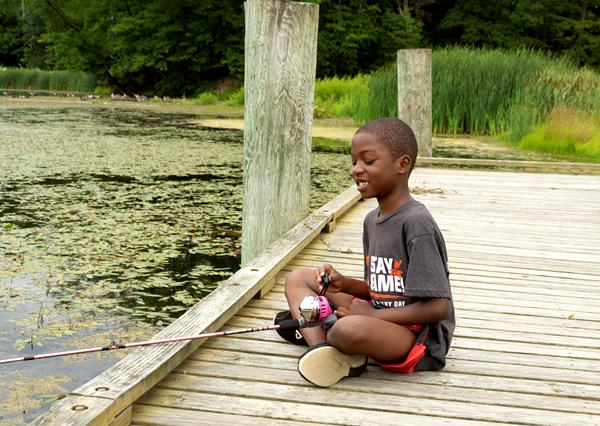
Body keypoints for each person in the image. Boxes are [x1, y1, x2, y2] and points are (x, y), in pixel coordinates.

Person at [275, 117, 455, 387]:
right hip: (378, 314)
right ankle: (323, 349)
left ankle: (324, 335)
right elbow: (380, 289)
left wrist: (370, 316)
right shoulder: (372, 220)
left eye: (368, 162)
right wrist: (344, 284)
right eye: (354, 162)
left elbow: (438, 307)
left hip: (414, 337)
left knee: (347, 328)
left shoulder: (417, 223)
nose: (357, 170)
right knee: (297, 278)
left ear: (402, 165)